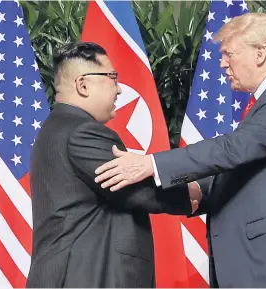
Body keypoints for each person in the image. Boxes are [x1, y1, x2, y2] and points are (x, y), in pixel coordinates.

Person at [94, 13, 266, 288]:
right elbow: (251, 167)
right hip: (262, 260)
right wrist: (200, 189)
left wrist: (150, 164)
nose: (222, 63)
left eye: (229, 53)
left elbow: (234, 149)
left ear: (260, 53)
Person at [27, 42, 200, 288]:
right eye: (112, 77)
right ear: (83, 85)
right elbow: (138, 190)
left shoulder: (58, 128)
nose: (119, 89)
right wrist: (200, 191)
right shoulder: (81, 131)